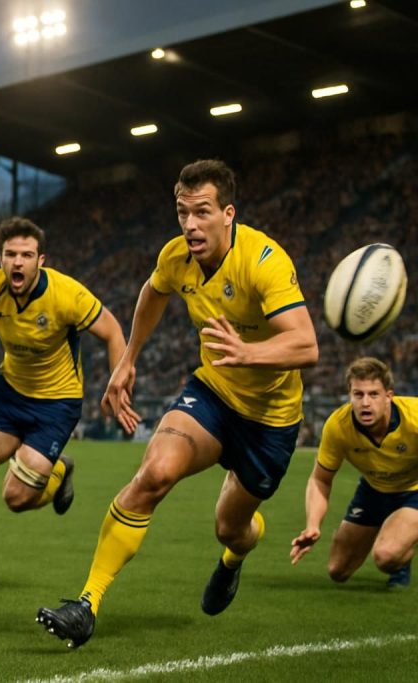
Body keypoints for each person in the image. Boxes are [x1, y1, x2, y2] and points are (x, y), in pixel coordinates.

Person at [37, 159, 319, 648]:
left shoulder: (265, 261)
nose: (190, 224)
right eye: (182, 212)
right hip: (212, 395)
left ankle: (232, 562)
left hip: (270, 422)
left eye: (202, 212)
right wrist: (127, 359)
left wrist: (249, 352)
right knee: (154, 473)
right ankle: (87, 604)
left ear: (228, 213)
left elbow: (306, 345)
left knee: (231, 528)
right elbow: (153, 292)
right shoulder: (176, 257)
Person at [0, 216, 130, 589]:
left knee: (16, 498)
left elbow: (113, 332)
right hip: (9, 393)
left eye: (26, 254)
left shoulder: (68, 295)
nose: (18, 262)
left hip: (57, 402)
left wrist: (117, 382)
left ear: (41, 260)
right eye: (10, 254)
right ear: (0, 259)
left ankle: (58, 471)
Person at [290, 357, 417, 588]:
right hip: (373, 490)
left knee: (386, 556)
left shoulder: (415, 417)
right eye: (358, 395)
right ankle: (394, 533)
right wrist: (313, 525)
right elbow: (320, 479)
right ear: (349, 395)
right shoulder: (338, 426)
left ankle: (402, 557)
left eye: (373, 394)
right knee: (337, 571)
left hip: (413, 491)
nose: (365, 403)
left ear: (389, 396)